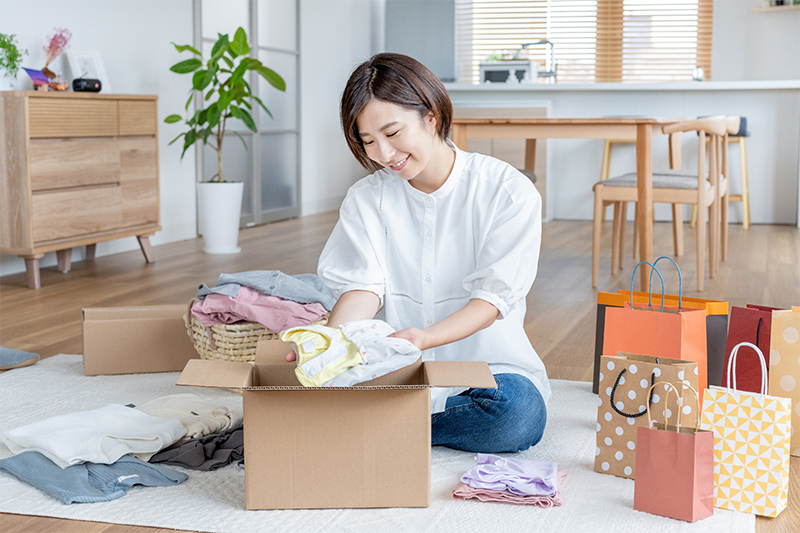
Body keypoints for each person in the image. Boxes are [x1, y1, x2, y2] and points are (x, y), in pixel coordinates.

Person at [294, 52, 549, 453]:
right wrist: (331, 346)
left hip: (489, 371)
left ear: (431, 116)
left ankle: (370, 427)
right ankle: (400, 424)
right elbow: (362, 289)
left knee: (517, 417)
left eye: (393, 133)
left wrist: (425, 337)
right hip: (398, 371)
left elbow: (492, 300)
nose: (382, 153)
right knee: (316, 389)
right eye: (368, 141)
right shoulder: (366, 199)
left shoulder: (506, 190)